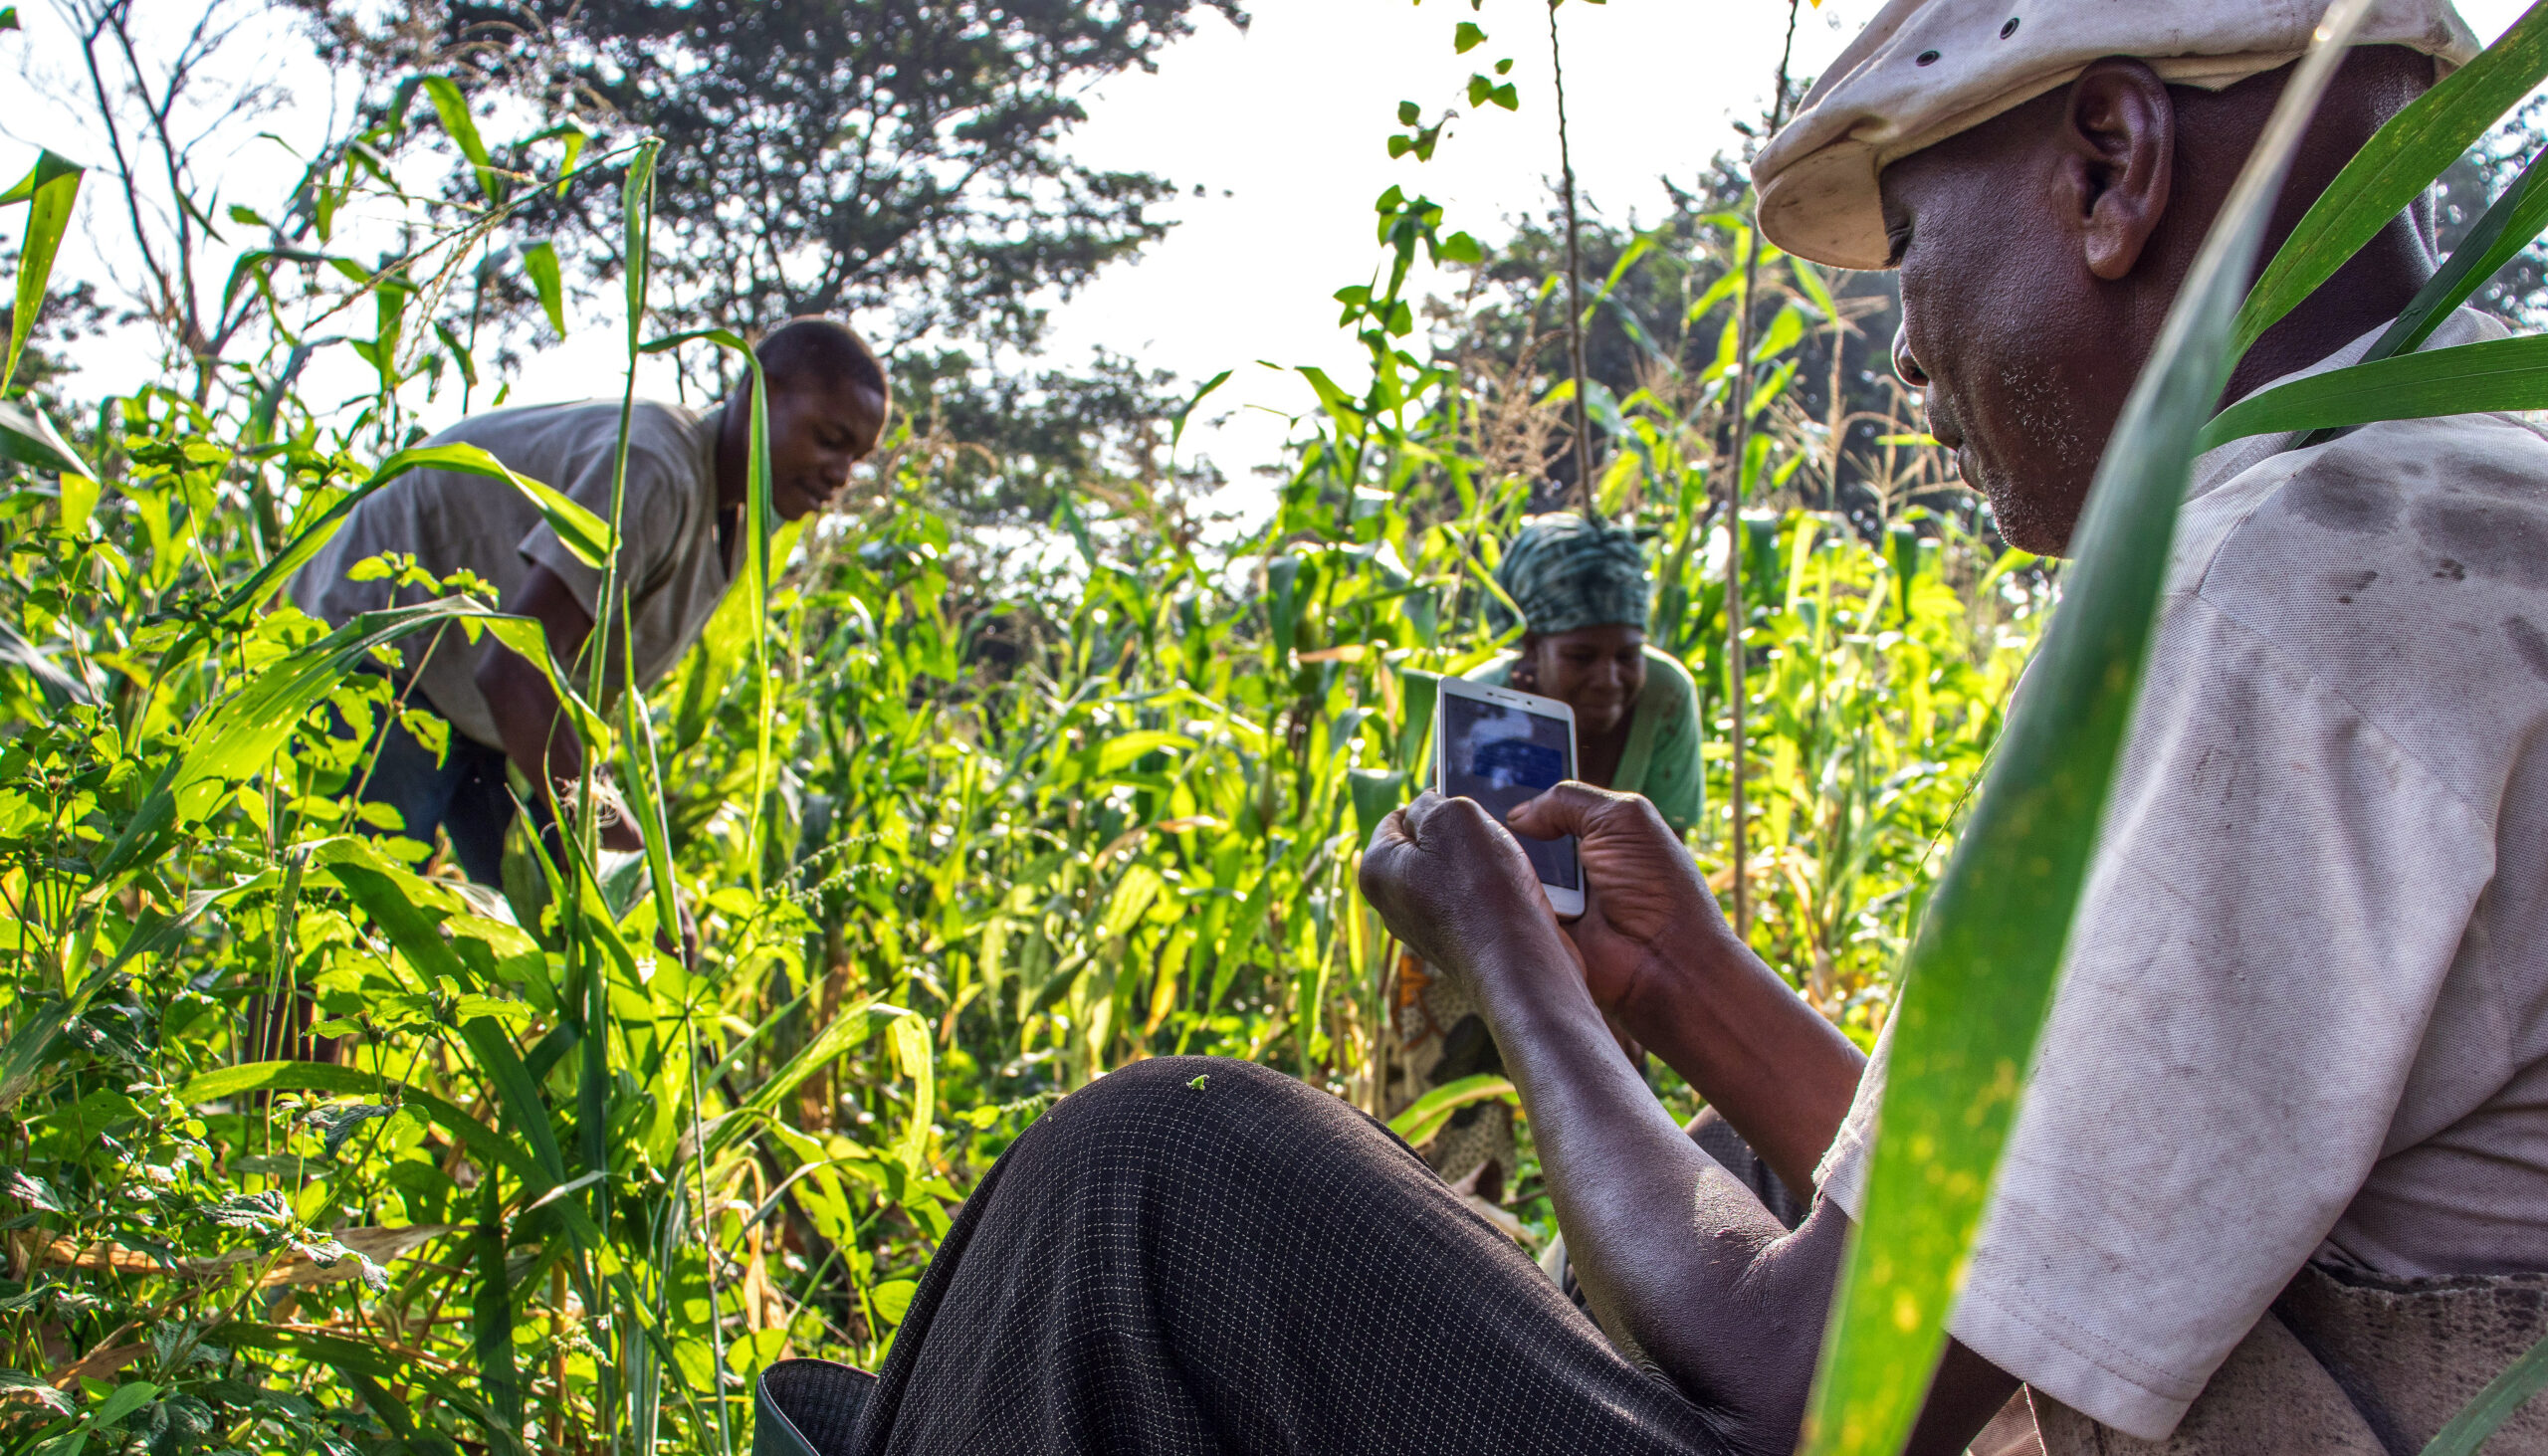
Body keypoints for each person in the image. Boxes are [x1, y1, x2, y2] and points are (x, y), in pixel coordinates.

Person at [801, 5, 2548, 1455]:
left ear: (2110, 168)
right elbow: (2025, 1245)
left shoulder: (2288, 599)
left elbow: (1823, 1386)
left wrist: (1518, 966)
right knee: (1715, 1159)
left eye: (1915, 249)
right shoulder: (2463, 513)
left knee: (1156, 1176)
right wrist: (1680, 984)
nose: (1912, 360)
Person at [293, 317, 890, 885]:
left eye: (855, 459)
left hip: (481, 708)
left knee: (560, 934)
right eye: (829, 440)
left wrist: (624, 864)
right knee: (345, 921)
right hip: (387, 652)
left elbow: (565, 696)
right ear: (759, 393)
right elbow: (514, 669)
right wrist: (635, 856)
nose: (840, 474)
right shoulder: (655, 467)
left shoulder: (735, 520)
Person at [1389, 512, 1705, 1203]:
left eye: (1627, 654)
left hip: (1606, 928)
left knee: (1623, 1135)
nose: (1612, 679)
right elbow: (1450, 858)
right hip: (1473, 926)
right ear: (1533, 649)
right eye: (1583, 656)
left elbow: (1666, 859)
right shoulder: (1481, 706)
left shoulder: (1665, 696)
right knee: (1457, 1139)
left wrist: (1609, 995)